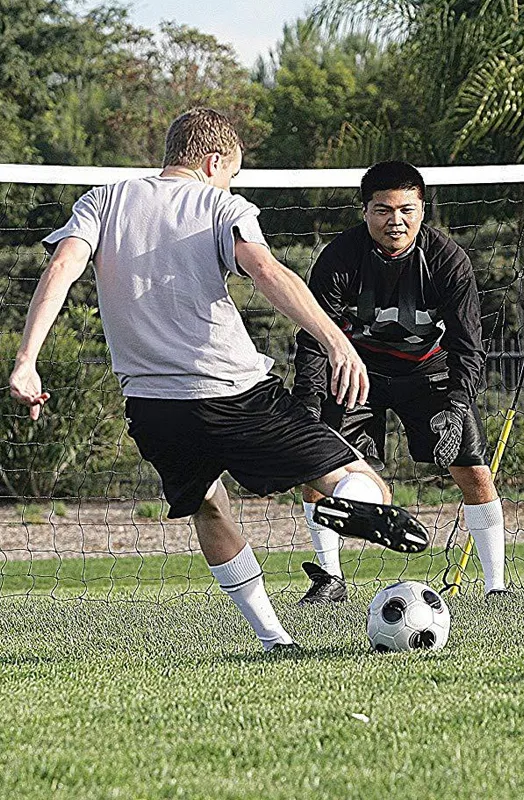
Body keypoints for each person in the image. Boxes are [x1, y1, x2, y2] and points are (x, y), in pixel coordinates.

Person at [9, 108, 428, 653]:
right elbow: (268, 272)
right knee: (363, 481)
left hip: (152, 406)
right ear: (214, 162)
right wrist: (336, 340)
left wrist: (26, 359)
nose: (232, 182)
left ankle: (274, 638)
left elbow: (61, 267)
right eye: (232, 171)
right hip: (235, 393)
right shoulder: (219, 203)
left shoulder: (102, 199)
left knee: (209, 504)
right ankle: (346, 506)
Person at [292, 160, 508, 604]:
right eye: (383, 210)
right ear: (364, 211)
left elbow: (469, 344)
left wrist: (457, 405)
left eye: (407, 210)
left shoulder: (448, 260)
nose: (396, 221)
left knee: (475, 472)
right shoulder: (338, 258)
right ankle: (330, 580)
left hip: (427, 372)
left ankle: (497, 587)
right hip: (357, 373)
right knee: (317, 465)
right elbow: (315, 337)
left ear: (423, 210)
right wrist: (307, 408)